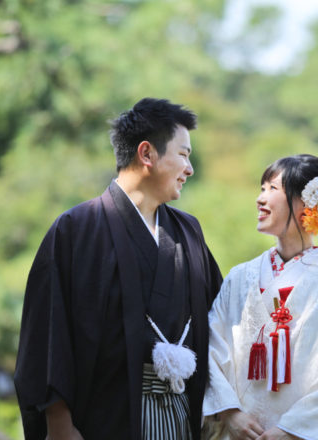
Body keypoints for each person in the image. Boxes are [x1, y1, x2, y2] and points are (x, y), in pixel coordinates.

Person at [14, 98, 223, 440]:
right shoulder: (77, 229)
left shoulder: (188, 232)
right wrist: (60, 425)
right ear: (146, 153)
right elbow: (48, 333)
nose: (189, 169)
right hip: (103, 421)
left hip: (182, 417)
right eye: (183, 154)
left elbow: (219, 320)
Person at [203, 154, 318, 440]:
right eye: (261, 189)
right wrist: (230, 412)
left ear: (307, 203)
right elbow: (211, 343)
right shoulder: (241, 277)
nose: (260, 199)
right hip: (242, 431)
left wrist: (292, 429)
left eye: (272, 189)